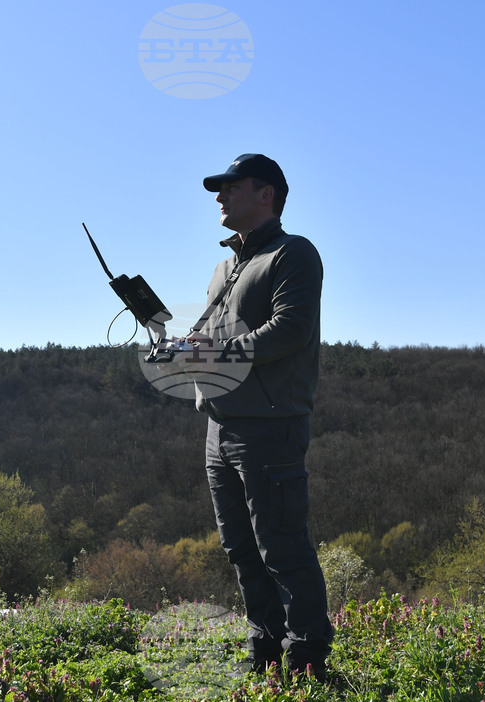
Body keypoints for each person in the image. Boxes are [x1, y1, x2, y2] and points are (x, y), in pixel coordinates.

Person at [193, 153, 333, 681]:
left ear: (266, 194)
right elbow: (218, 339)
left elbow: (290, 329)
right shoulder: (223, 268)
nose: (220, 196)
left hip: (271, 425)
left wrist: (216, 353)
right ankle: (266, 654)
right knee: (241, 550)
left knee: (282, 547)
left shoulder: (293, 253)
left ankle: (307, 662)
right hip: (219, 426)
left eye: (232, 187)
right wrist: (189, 348)